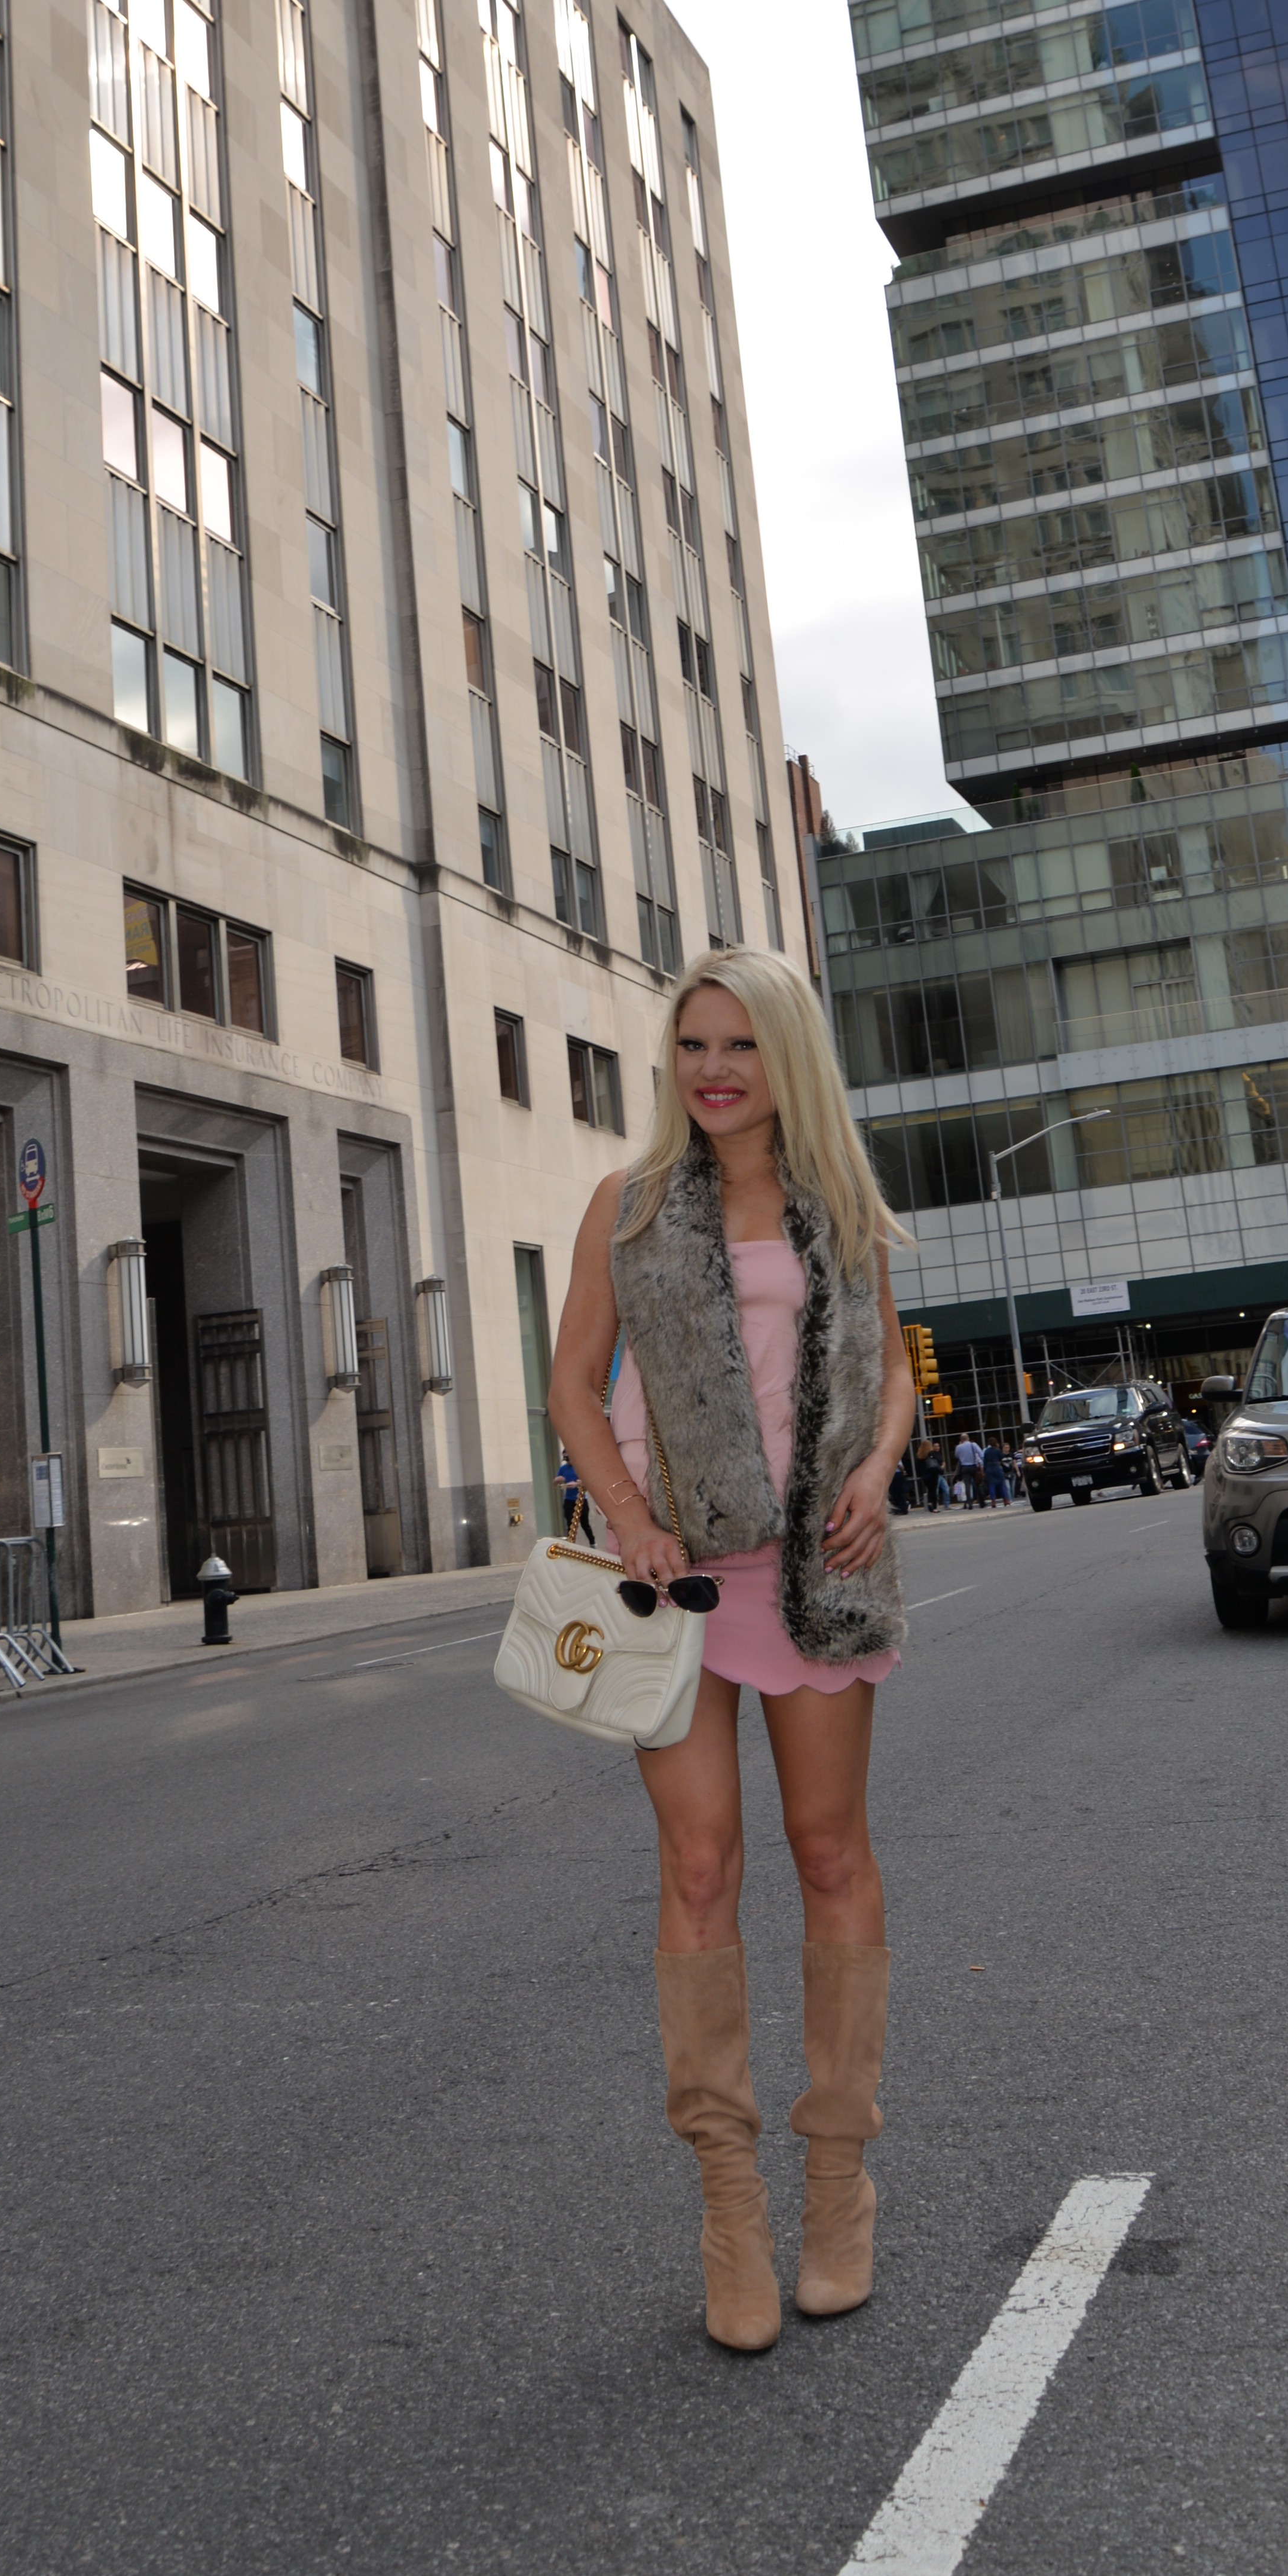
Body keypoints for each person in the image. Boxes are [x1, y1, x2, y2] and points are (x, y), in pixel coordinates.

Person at [549, 947, 914, 2355]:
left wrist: (882, 1462)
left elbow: (888, 1363)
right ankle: (728, 2206)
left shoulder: (837, 1204)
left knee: (830, 1853)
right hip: (679, 1579)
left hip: (820, 1566)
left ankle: (836, 2182)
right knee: (700, 1863)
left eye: (739, 1045)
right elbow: (573, 1387)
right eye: (692, 1044)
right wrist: (630, 1520)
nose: (711, 1068)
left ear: (787, 1059)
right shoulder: (628, 1206)